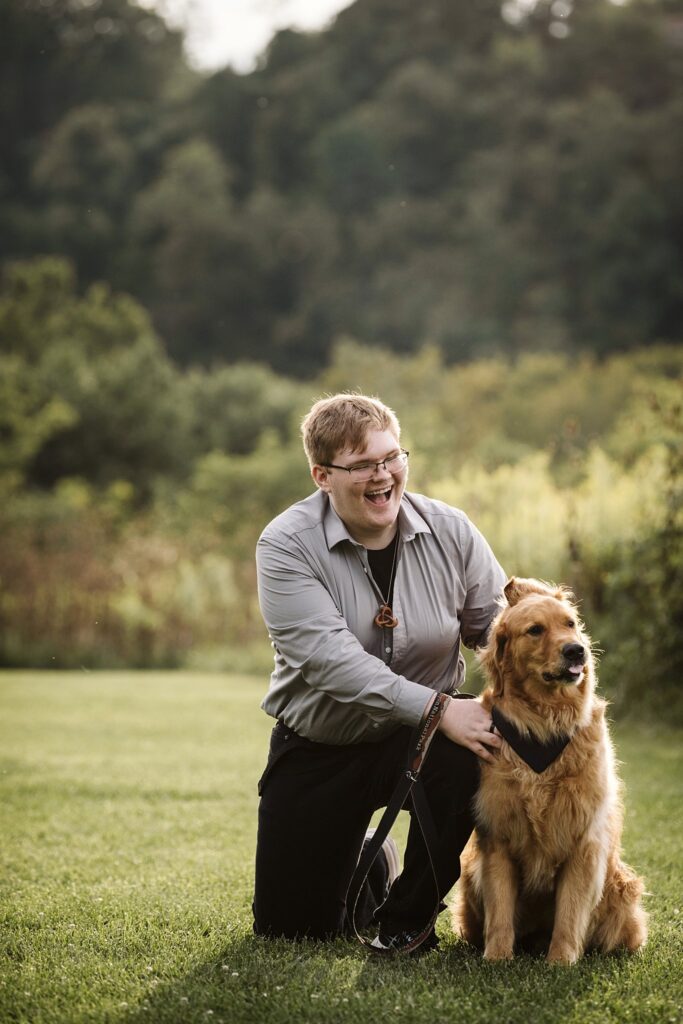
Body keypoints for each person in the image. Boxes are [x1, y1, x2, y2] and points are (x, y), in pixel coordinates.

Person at [253, 393, 505, 951]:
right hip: (320, 746)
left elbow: (499, 632)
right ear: (322, 475)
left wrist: (549, 657)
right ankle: (374, 860)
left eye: (392, 457)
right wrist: (440, 707)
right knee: (292, 930)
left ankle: (409, 917)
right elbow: (331, 664)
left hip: (425, 739)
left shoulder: (452, 531)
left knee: (473, 746)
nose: (383, 475)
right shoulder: (285, 544)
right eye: (362, 464)